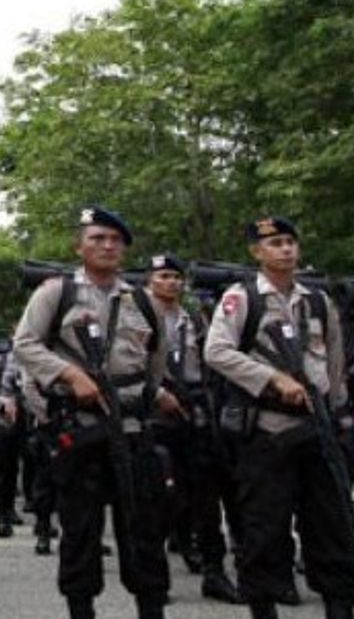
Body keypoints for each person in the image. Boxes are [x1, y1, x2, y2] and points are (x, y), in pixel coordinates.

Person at [12, 206, 175, 619]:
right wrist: (68, 375)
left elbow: (156, 360)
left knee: (143, 533)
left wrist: (143, 396)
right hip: (80, 431)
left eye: (115, 240)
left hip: (134, 431)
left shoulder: (141, 300)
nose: (106, 246)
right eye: (97, 238)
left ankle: (151, 609)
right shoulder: (56, 293)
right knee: (81, 533)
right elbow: (25, 345)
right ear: (79, 246)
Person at [203, 216, 354, 619]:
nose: (285, 249)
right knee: (264, 531)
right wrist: (271, 379)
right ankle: (263, 606)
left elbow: (337, 360)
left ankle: (339, 604)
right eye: (274, 243)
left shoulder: (317, 301)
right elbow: (217, 351)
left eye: (290, 241)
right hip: (268, 431)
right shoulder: (242, 299)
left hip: (317, 428)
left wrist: (337, 407)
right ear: (256, 252)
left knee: (332, 527)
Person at [144, 254, 242, 604]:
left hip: (195, 409)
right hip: (154, 413)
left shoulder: (194, 318)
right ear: (150, 280)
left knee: (206, 493)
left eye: (176, 277)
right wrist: (157, 394)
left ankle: (214, 572)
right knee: (161, 497)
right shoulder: (135, 314)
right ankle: (156, 579)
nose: (171, 282)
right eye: (163, 276)